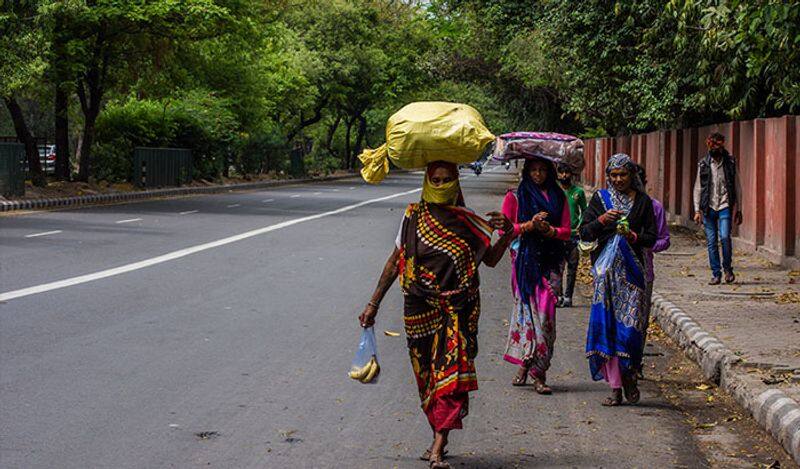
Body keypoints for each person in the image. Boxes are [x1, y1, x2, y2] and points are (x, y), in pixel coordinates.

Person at [359, 161, 514, 469]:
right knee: (427, 378)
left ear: (456, 183)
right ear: (427, 182)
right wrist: (373, 304)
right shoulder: (412, 217)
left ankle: (438, 446)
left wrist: (507, 233)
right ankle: (437, 435)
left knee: (451, 376)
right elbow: (395, 263)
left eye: (447, 180)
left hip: (458, 309)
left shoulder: (468, 223)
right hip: (418, 308)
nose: (441, 185)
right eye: (436, 180)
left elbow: (492, 260)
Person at [580, 154, 657, 406]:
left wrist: (633, 236)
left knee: (631, 329)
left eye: (623, 174)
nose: (618, 179)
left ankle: (630, 376)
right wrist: (602, 221)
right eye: (613, 175)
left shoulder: (643, 202)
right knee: (608, 330)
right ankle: (614, 387)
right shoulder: (600, 200)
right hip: (606, 278)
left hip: (632, 278)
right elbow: (585, 231)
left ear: (631, 175)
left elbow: (651, 237)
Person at [500, 157, 572, 395]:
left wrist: (549, 230)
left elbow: (566, 231)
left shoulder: (559, 197)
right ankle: (530, 368)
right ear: (527, 172)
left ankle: (538, 369)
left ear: (549, 172)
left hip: (551, 264)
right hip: (524, 265)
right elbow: (505, 230)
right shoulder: (515, 197)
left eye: (542, 170)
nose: (538, 174)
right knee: (528, 317)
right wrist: (529, 226)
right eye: (533, 170)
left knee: (546, 317)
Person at [692, 132, 743, 285]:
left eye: (718, 145)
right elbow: (698, 188)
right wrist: (696, 210)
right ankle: (716, 274)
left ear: (722, 146)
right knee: (711, 241)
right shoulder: (703, 164)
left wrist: (739, 208)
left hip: (725, 205)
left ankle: (728, 269)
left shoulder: (731, 162)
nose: (715, 148)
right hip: (708, 208)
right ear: (709, 145)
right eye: (712, 145)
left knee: (725, 237)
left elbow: (737, 186)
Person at [634, 164, 670, 377]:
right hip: (616, 271)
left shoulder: (654, 207)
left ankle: (635, 363)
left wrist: (647, 244)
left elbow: (664, 239)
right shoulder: (613, 206)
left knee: (641, 320)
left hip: (644, 272)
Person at [555, 162, 587, 308]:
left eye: (567, 173)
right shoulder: (555, 191)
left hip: (574, 235)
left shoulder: (578, 192)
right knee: (558, 267)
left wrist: (580, 225)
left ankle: (568, 296)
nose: (564, 176)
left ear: (571, 175)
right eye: (561, 173)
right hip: (558, 234)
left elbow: (584, 211)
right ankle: (558, 295)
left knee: (572, 267)